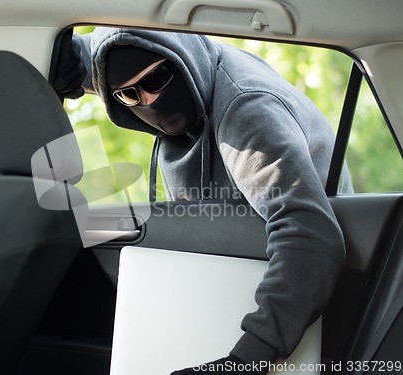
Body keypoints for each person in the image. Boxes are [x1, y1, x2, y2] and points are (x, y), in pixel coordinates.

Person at [55, 27, 351, 374]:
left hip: (297, 300)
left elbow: (311, 236)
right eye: (129, 95)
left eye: (157, 79)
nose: (149, 101)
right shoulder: (147, 70)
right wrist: (63, 55)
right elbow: (112, 57)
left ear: (183, 59)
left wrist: (245, 361)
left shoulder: (247, 112)